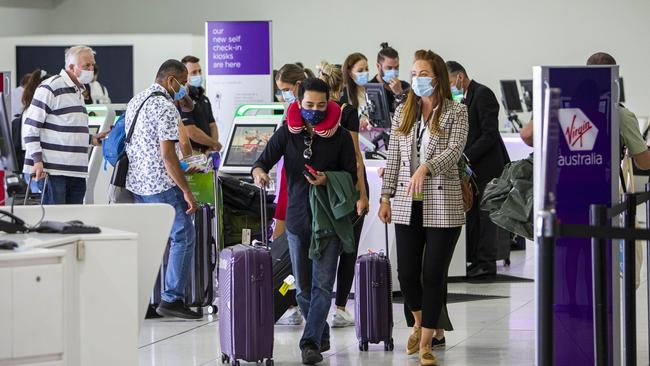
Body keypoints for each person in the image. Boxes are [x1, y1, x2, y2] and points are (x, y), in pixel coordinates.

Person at [252, 78, 358, 365]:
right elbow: (262, 161)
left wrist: (327, 179)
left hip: (328, 221)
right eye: (309, 105)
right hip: (298, 218)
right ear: (299, 103)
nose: (314, 110)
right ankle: (319, 332)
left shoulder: (340, 136)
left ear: (329, 104)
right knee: (302, 288)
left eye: (321, 105)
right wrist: (259, 173)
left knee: (323, 285)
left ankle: (309, 343)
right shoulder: (287, 132)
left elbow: (351, 175)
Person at [379, 50, 468, 366]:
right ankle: (419, 323)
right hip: (406, 204)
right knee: (406, 273)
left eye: (423, 74)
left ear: (437, 77)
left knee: (433, 274)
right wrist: (385, 197)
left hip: (443, 204)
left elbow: (454, 152)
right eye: (414, 74)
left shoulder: (456, 112)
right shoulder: (404, 110)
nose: (416, 79)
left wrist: (426, 167)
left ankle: (427, 342)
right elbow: (393, 159)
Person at [125, 59, 199, 319]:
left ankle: (143, 300)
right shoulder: (164, 106)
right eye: (184, 83)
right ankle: (172, 298)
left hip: (137, 184)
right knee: (184, 236)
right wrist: (187, 191)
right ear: (171, 81)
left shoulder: (136, 101)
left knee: (149, 241)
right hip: (161, 184)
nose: (185, 89)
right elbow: (167, 156)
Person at [519, 52, 650, 170]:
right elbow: (644, 163)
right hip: (601, 189)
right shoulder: (621, 115)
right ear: (613, 78)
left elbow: (527, 135)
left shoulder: (558, 106)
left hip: (559, 185)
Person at [446, 60, 510, 278]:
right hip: (472, 170)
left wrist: (464, 156)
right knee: (473, 216)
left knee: (486, 217)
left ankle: (486, 263)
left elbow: (489, 134)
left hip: (488, 167)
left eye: (449, 83)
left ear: (460, 78)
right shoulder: (461, 99)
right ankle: (475, 259)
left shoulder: (483, 94)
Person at [318, 61, 369, 327]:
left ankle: (319, 304)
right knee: (349, 246)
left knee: (324, 245)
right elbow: (356, 158)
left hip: (325, 186)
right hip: (348, 185)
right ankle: (339, 308)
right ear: (340, 85)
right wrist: (362, 193)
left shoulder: (315, 113)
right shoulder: (347, 112)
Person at [22, 45, 108, 204]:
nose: (91, 69)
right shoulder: (51, 87)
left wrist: (92, 139)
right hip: (53, 172)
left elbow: (66, 129)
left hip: (77, 172)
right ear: (71, 67)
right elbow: (30, 128)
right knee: (54, 223)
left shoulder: (78, 91)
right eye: (86, 65)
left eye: (92, 65)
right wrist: (37, 161)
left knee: (72, 225)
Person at [273, 63, 315, 327]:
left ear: (298, 86)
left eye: (286, 90)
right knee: (283, 246)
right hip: (284, 182)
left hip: (295, 187)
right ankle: (287, 299)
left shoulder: (306, 114)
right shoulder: (289, 113)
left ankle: (292, 300)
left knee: (291, 248)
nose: (283, 95)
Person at [180, 55, 222, 154]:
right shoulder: (183, 99)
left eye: (199, 71)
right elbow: (191, 131)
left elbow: (212, 125)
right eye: (194, 72)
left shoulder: (204, 99)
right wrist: (215, 144)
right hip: (192, 153)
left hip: (208, 152)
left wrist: (212, 147)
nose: (198, 75)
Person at [370, 42, 410, 113]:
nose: (393, 72)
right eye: (389, 68)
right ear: (378, 66)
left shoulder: (406, 87)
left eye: (396, 67)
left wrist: (400, 94)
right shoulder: (370, 88)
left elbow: (410, 115)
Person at [341, 53, 370, 131]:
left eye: (366, 69)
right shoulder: (344, 95)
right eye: (360, 71)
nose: (365, 73)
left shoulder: (374, 90)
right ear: (350, 73)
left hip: (375, 138)